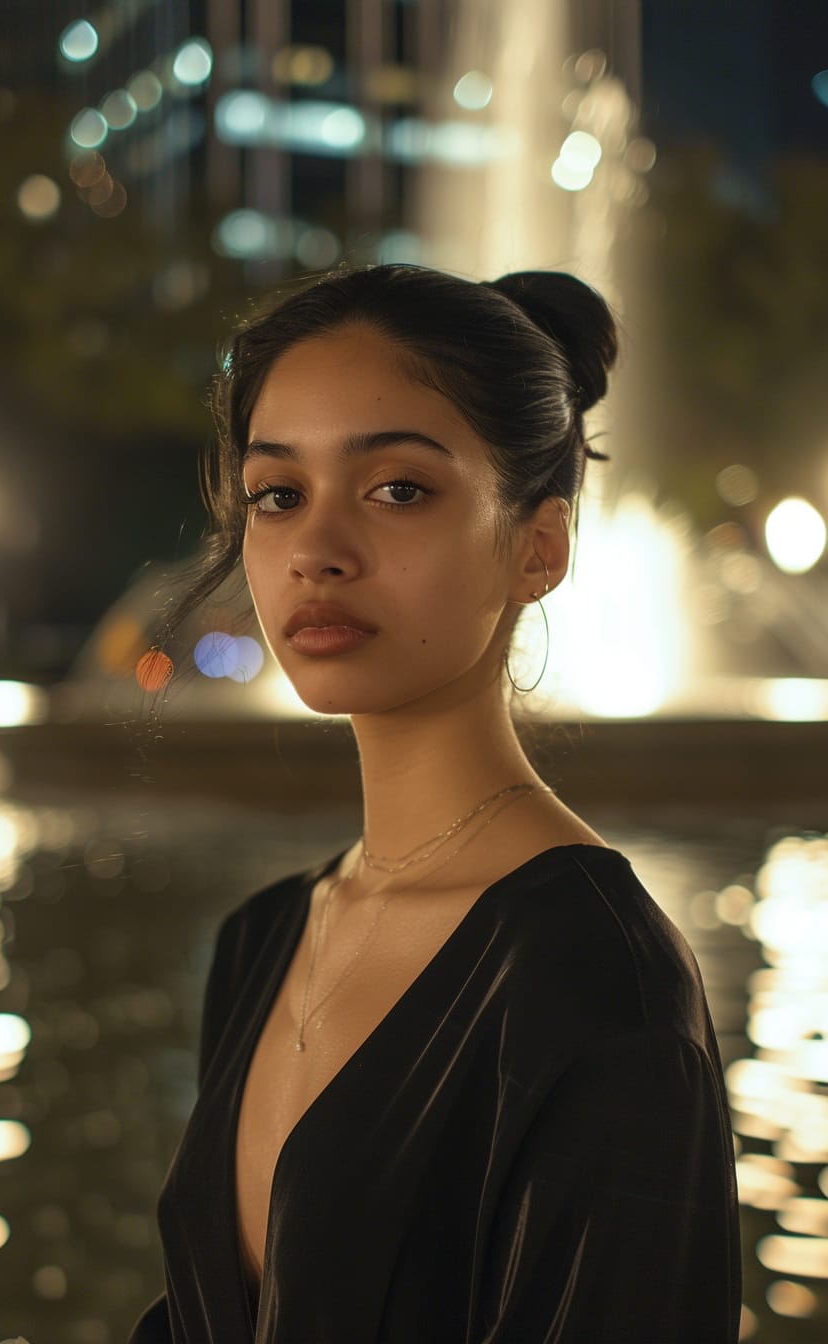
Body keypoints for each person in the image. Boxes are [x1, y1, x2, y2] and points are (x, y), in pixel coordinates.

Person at [127, 263, 742, 1343]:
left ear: (535, 546)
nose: (315, 551)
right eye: (278, 494)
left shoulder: (598, 981)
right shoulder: (265, 937)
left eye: (397, 488)